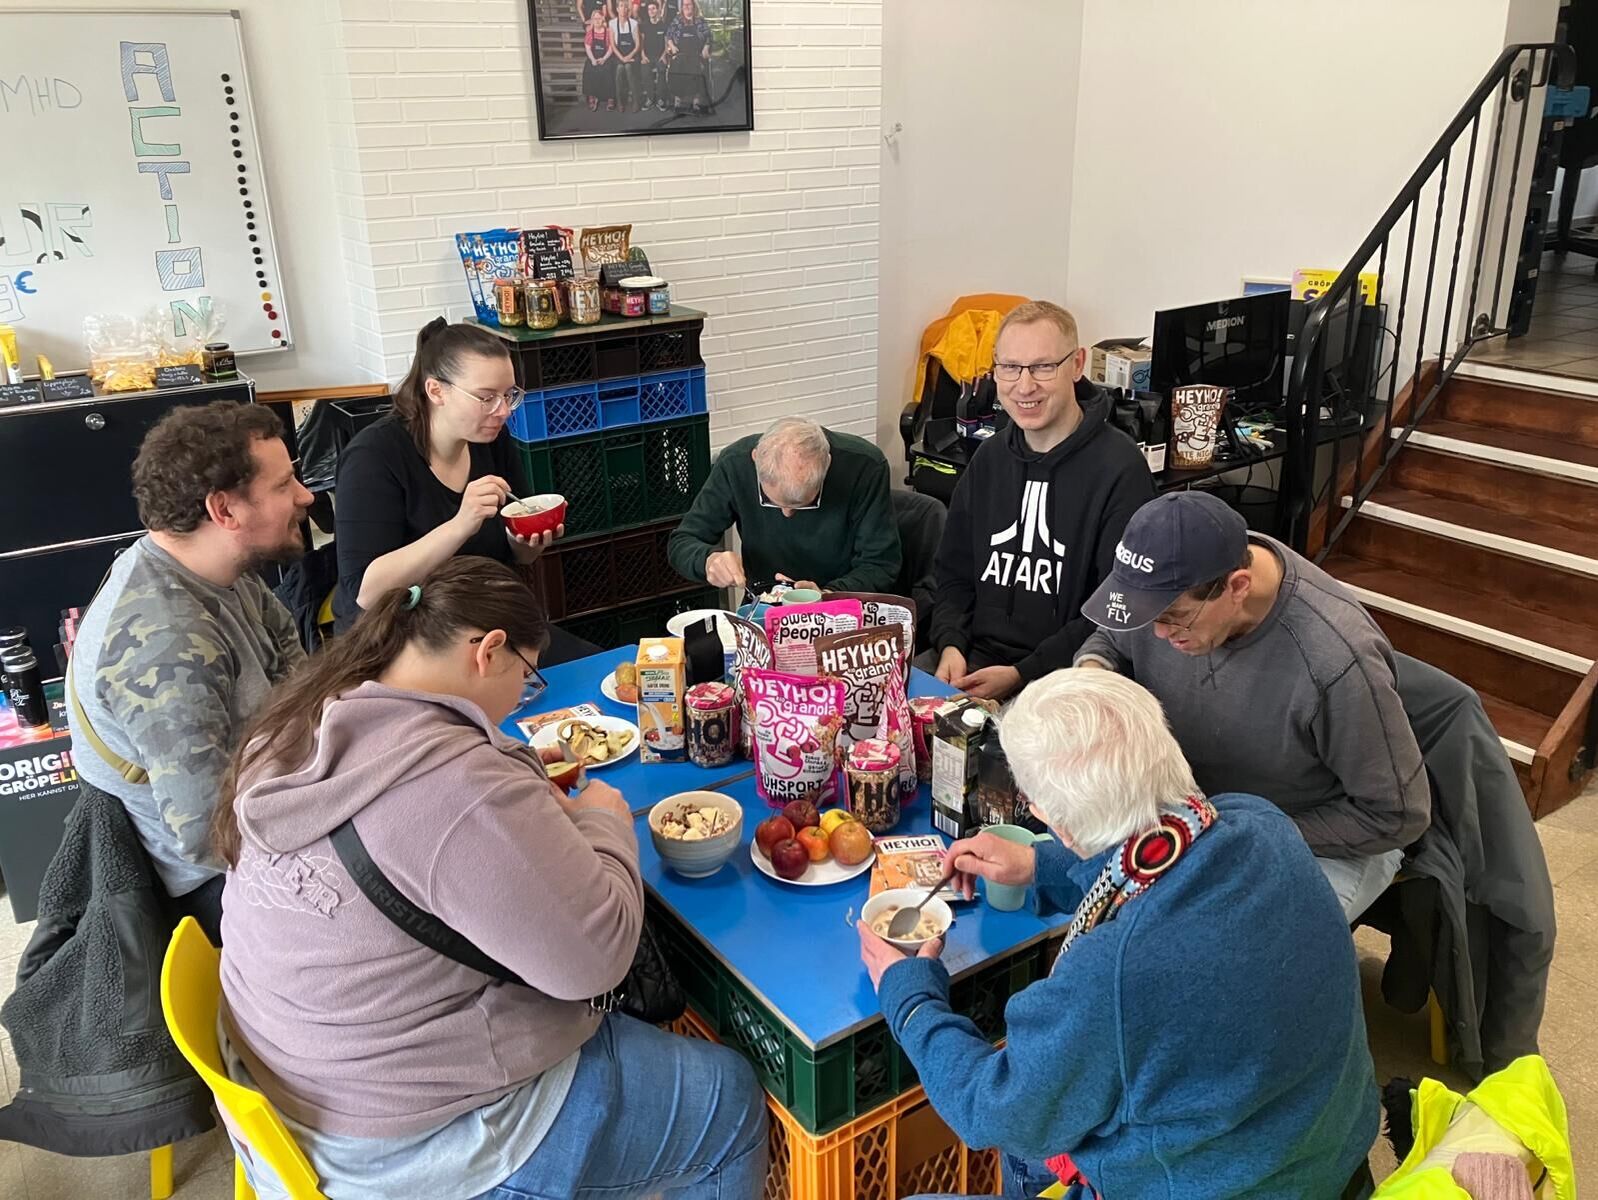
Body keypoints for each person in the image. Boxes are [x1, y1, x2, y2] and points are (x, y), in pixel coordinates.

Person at [213, 557, 768, 1199]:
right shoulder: (456, 785)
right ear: (490, 650)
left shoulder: (303, 720)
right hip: (406, 1145)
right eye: (528, 678)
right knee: (728, 1099)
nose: (521, 700)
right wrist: (605, 824)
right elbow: (599, 960)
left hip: (290, 1094)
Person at [860, 669, 1379, 1200]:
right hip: (1324, 1159)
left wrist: (912, 1001)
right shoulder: (1260, 822)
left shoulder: (1113, 968)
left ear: (1055, 819)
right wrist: (1041, 865)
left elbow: (990, 1110)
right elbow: (1160, 849)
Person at [1075, 489, 1431, 920]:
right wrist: (1094, 677)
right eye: (1147, 620)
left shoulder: (1335, 659)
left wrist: (1245, 832)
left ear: (1237, 587)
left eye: (1173, 620)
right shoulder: (1173, 582)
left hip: (1318, 838)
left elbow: (1396, 815)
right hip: (1196, 817)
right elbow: (1111, 639)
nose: (1158, 636)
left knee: (1239, 961)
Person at [67, 401, 312, 943]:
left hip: (268, 800)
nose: (305, 496)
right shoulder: (167, 643)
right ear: (224, 511)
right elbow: (209, 836)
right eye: (283, 485)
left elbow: (294, 668)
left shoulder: (217, 567)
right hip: (223, 883)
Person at [925, 301, 1154, 702]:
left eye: (1043, 367)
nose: (1024, 386)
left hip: (1064, 677)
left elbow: (1114, 610)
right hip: (967, 662)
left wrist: (1021, 674)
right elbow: (953, 574)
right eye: (1010, 367)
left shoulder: (1121, 469)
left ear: (1077, 364)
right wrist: (949, 644)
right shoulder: (989, 458)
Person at [333, 318, 595, 665]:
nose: (501, 411)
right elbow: (366, 591)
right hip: (400, 639)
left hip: (482, 623)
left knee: (591, 668)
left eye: (509, 395)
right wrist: (460, 524)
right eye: (486, 397)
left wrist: (525, 541)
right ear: (436, 391)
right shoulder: (375, 457)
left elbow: (515, 555)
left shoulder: (491, 439)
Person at [667, 416, 901, 596]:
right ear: (755, 458)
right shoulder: (734, 465)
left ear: (827, 464)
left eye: (802, 505)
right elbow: (682, 542)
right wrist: (708, 560)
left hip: (838, 603)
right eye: (772, 502)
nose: (787, 514)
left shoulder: (865, 467)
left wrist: (828, 595)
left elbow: (880, 564)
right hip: (764, 601)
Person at [664, 0, 712, 114]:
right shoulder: (677, 20)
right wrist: (671, 46)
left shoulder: (700, 20)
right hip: (680, 53)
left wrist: (706, 46)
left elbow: (709, 35)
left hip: (696, 54)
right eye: (684, 4)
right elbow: (669, 34)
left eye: (689, 4)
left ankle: (696, 102)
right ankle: (678, 101)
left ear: (694, 6)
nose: (686, 6)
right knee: (676, 70)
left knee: (697, 70)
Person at [610, 0, 643, 113]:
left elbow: (638, 45)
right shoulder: (612, 23)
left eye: (625, 7)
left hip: (632, 54)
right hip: (619, 55)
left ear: (628, 9)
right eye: (621, 6)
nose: (623, 9)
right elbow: (613, 45)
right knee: (619, 68)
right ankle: (620, 101)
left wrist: (628, 57)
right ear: (617, 9)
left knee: (628, 67)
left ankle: (635, 100)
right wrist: (622, 58)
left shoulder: (633, 23)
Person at [639, 0, 670, 111]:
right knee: (645, 72)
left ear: (658, 10)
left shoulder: (664, 25)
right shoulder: (644, 25)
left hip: (660, 56)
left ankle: (660, 99)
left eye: (653, 8)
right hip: (647, 56)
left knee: (662, 69)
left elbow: (666, 44)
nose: (651, 11)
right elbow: (641, 43)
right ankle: (650, 98)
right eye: (649, 9)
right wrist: (642, 55)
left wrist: (664, 56)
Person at [583, 6, 614, 111]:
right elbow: (587, 48)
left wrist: (604, 59)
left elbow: (611, 48)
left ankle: (610, 98)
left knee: (608, 70)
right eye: (595, 19)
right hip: (593, 57)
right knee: (589, 70)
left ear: (603, 19)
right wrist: (592, 59)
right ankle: (592, 96)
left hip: (605, 57)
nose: (597, 21)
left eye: (599, 18)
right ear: (592, 20)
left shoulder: (608, 32)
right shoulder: (589, 33)